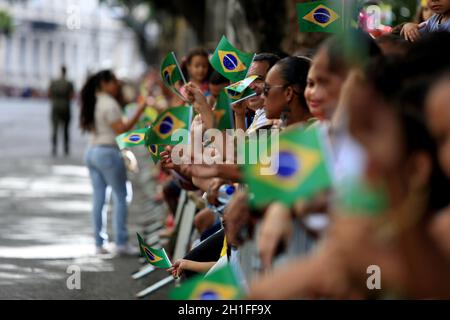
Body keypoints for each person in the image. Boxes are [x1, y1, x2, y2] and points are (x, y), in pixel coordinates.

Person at [79, 70, 146, 255]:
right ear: (105, 83)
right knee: (122, 195)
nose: (118, 85)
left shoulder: (93, 100)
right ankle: (121, 242)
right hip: (107, 152)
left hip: (92, 151)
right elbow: (122, 130)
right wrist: (140, 111)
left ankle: (100, 243)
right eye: (114, 82)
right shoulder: (109, 104)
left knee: (99, 198)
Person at [48, 65, 74, 157]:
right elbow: (72, 96)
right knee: (66, 129)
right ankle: (66, 147)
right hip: (66, 106)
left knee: (55, 128)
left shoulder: (54, 82)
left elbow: (49, 94)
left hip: (56, 106)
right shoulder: (69, 83)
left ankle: (54, 146)